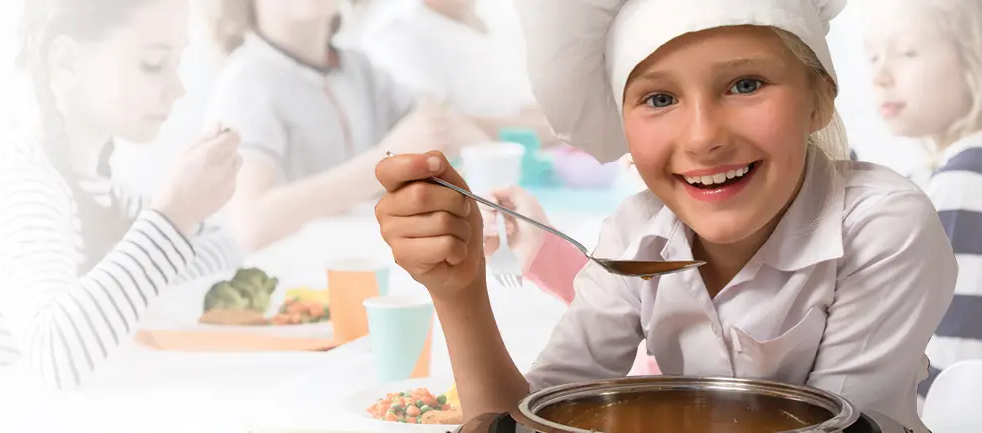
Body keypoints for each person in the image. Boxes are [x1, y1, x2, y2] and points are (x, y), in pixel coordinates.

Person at [372, 0, 958, 431]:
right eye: (659, 98)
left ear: (819, 100)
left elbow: (836, 426)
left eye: (745, 84)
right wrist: (459, 288)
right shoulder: (635, 236)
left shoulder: (882, 229)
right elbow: (525, 421)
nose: (702, 138)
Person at [0, 0, 244, 390]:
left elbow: (226, 252)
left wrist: (154, 250)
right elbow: (53, 353)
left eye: (177, 62)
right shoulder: (20, 182)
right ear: (67, 63)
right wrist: (173, 217)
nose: (178, 89)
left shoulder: (104, 194)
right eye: (152, 63)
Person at [206, 0, 483, 253]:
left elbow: (438, 124)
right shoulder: (246, 84)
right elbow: (251, 225)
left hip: (364, 268)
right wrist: (385, 161)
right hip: (297, 285)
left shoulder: (357, 70)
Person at [863, 0, 982, 403]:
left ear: (972, 53)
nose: (879, 76)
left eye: (907, 52)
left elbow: (958, 365)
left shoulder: (965, 178)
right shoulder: (939, 177)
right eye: (873, 56)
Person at [359, 0, 556, 142]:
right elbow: (432, 123)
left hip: (526, 158)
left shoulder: (498, 12)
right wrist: (527, 130)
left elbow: (520, 97)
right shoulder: (397, 31)